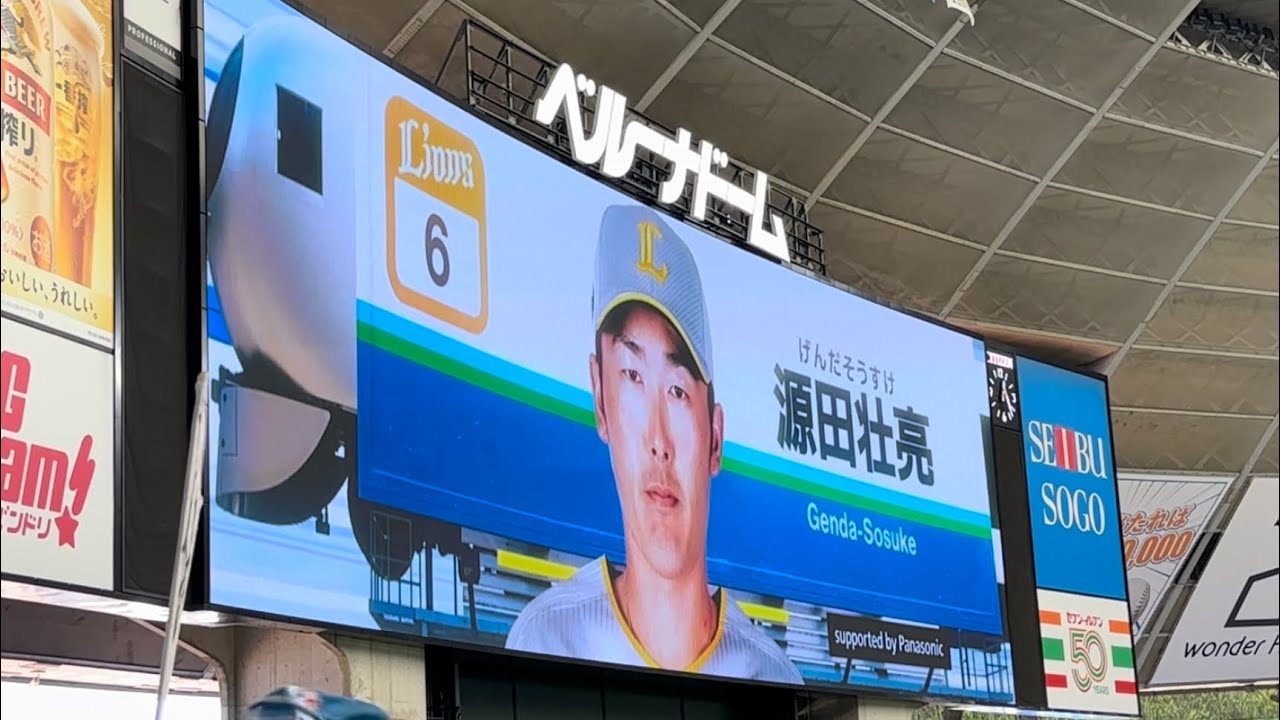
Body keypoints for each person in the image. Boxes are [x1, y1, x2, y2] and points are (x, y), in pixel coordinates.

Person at [505, 205, 802, 684]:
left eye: (678, 391)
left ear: (715, 438)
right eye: (633, 375)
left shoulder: (772, 674)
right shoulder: (545, 639)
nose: (659, 441)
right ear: (600, 400)